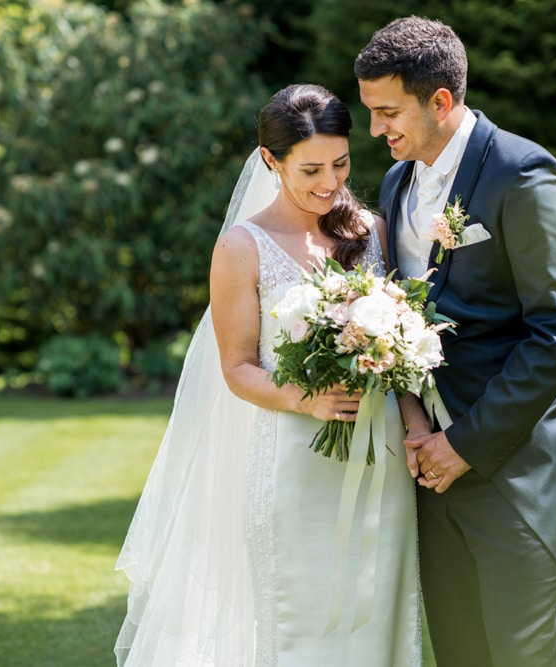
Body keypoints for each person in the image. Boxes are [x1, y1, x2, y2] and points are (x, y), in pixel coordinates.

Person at [114, 84, 423, 666]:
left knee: (381, 615)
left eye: (341, 163)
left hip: (380, 462)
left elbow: (401, 355)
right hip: (293, 461)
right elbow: (236, 368)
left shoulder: (374, 233)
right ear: (270, 160)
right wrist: (305, 402)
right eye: (311, 169)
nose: (330, 183)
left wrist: (412, 427)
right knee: (297, 618)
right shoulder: (241, 247)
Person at [355, 16, 556, 667]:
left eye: (387, 111)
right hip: (428, 469)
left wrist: (465, 442)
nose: (376, 129)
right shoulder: (400, 183)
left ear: (440, 100)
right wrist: (415, 424)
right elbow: (402, 314)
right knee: (459, 653)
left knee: (522, 653)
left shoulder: (524, 176)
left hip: (514, 468)